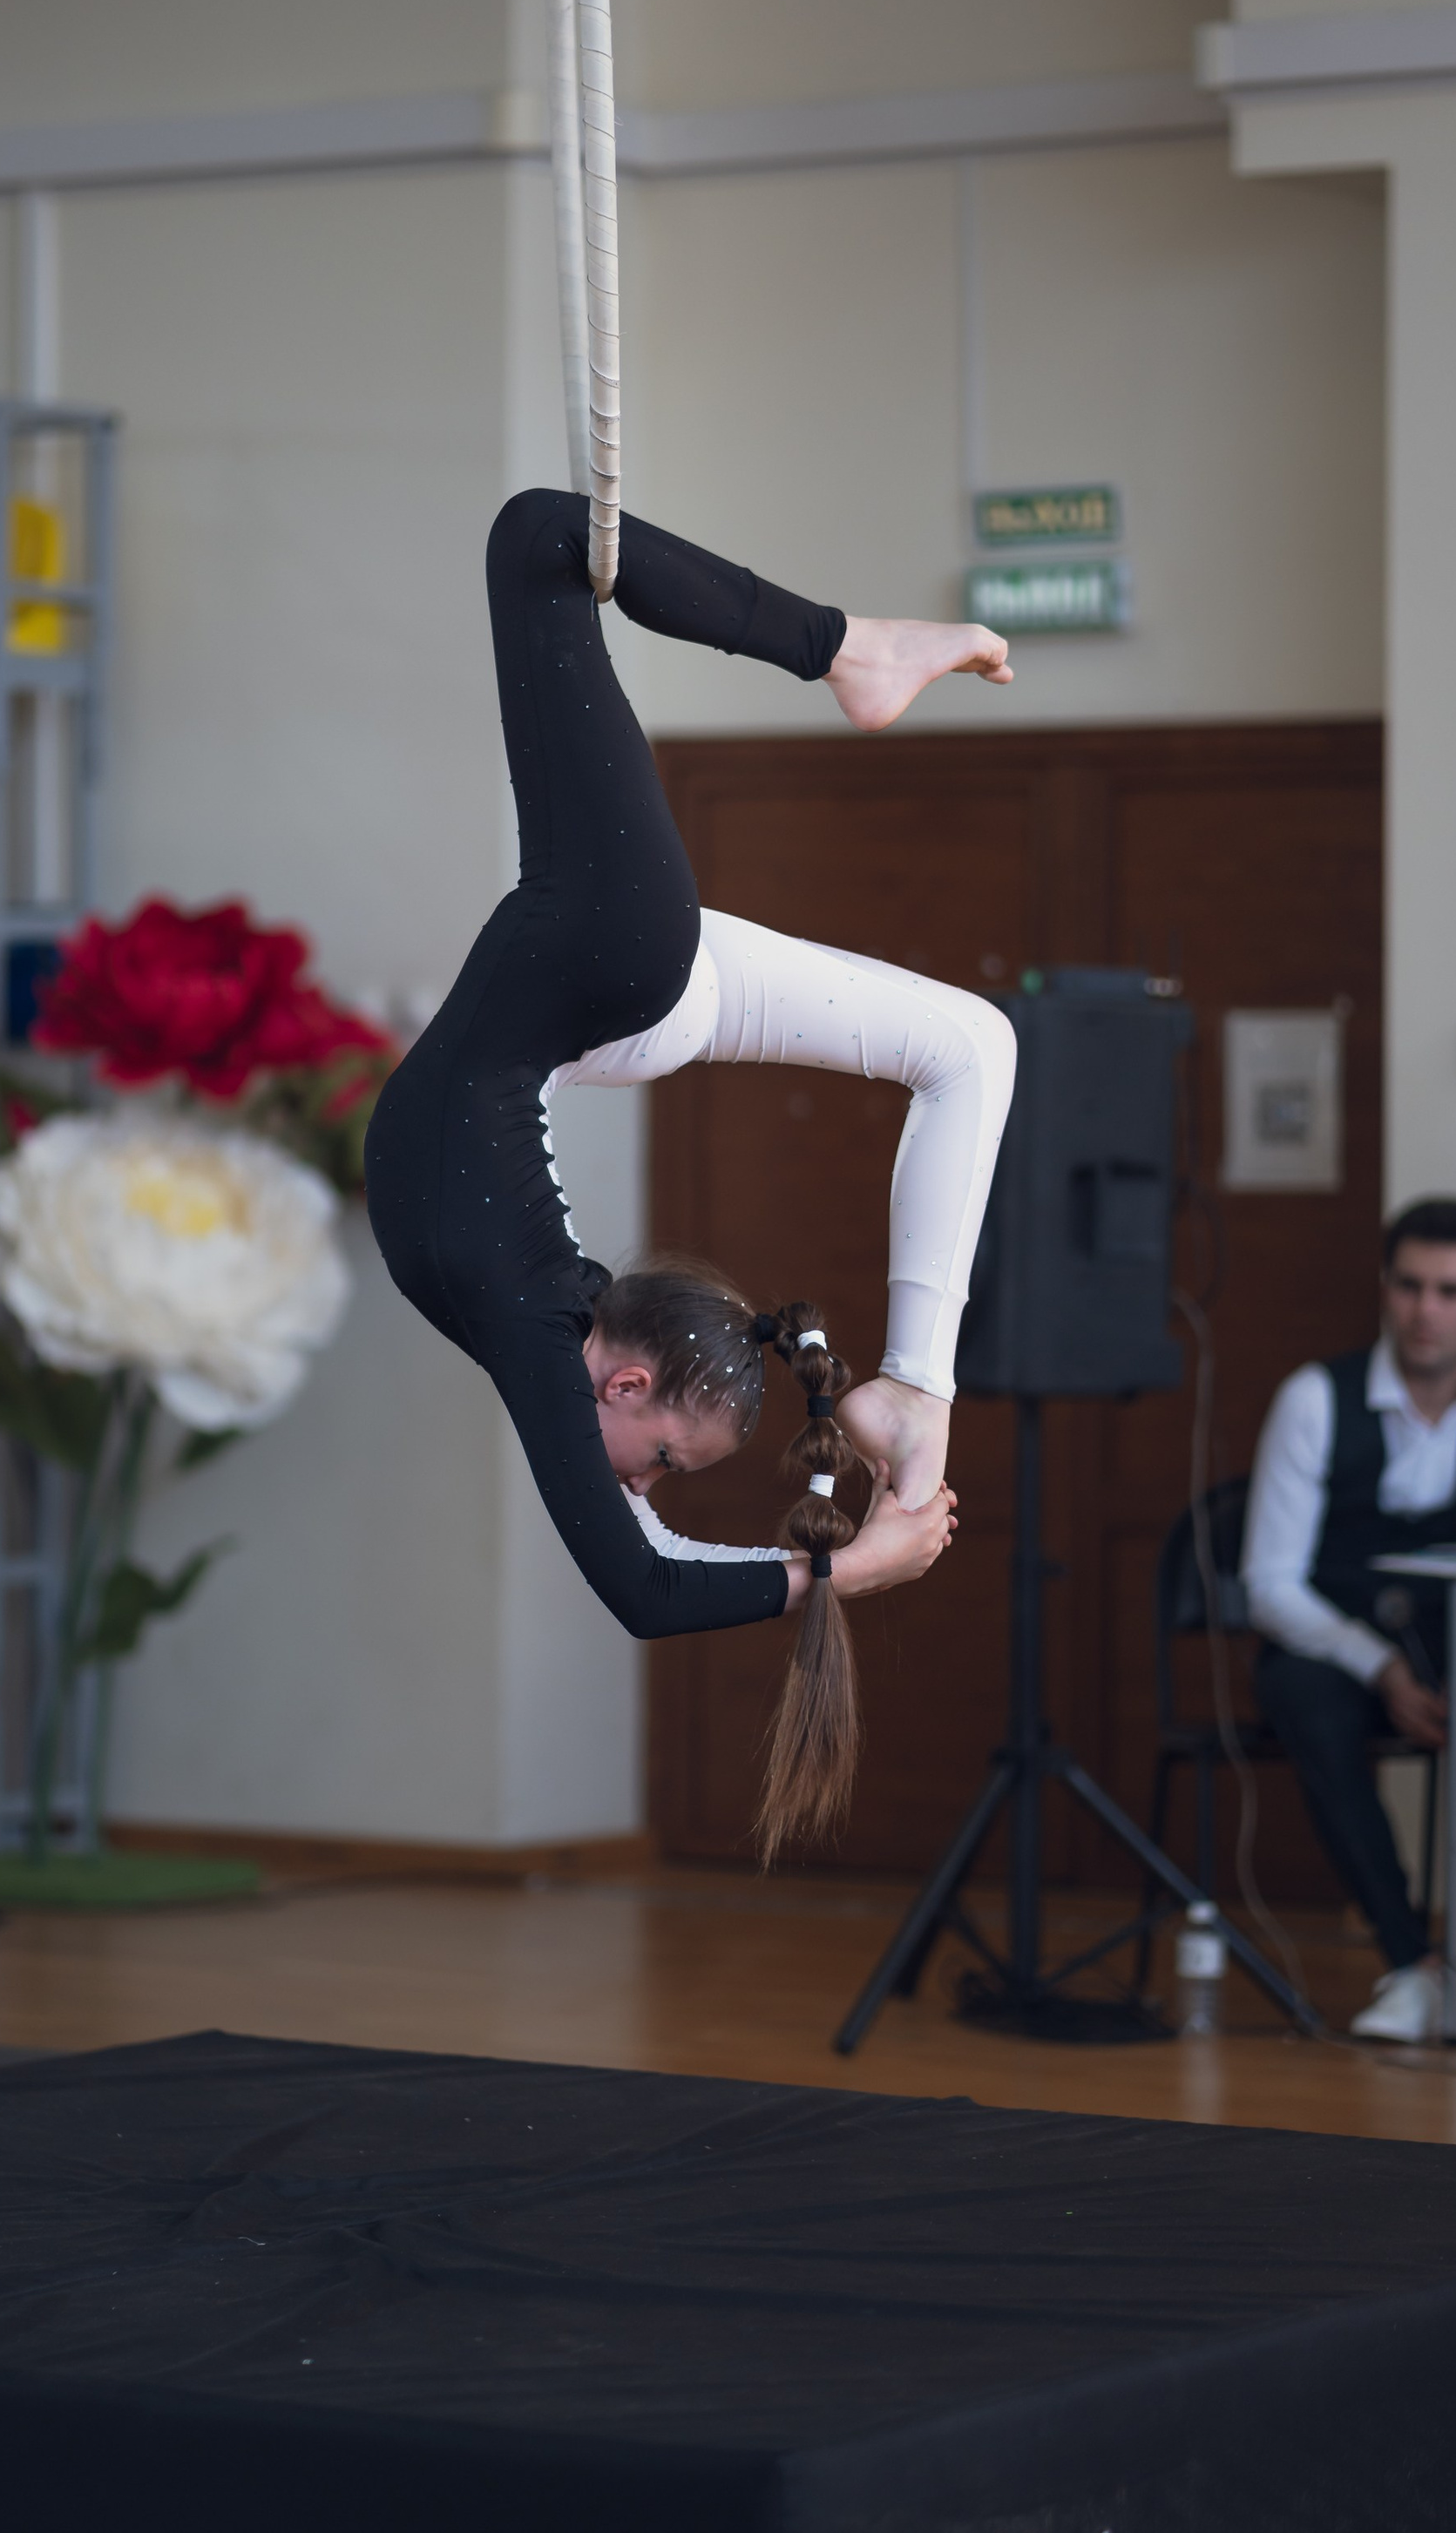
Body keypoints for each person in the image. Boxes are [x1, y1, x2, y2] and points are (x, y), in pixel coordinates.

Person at [364, 487, 1018, 1858]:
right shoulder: (547, 1325)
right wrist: (847, 1566)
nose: (644, 1486)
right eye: (662, 1458)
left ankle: (853, 647)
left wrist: (850, 1561)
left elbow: (649, 1584)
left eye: (663, 1470)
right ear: (628, 1379)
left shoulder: (538, 1316)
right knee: (541, 535)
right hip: (613, 961)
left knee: (975, 1047)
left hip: (603, 996)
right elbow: (646, 1581)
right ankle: (923, 1396)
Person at [1243, 1195, 1456, 2042]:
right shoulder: (1315, 1400)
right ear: (1384, 1289)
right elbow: (1269, 1584)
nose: (1425, 1310)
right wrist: (1382, 1670)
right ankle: (1414, 1966)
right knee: (1303, 1699)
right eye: (1408, 1287)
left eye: (1449, 1291)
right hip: (1341, 1656)